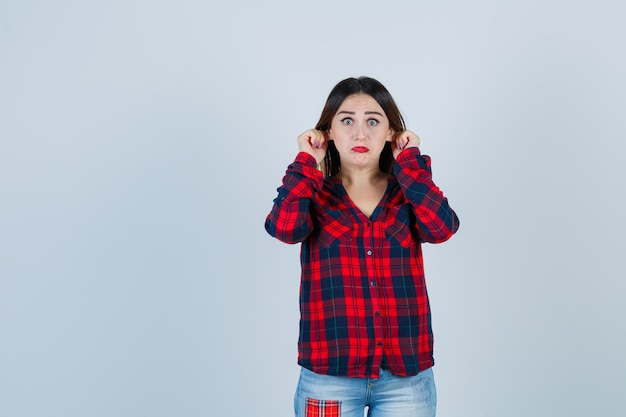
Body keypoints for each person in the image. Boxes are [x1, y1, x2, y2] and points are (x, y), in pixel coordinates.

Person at [265, 76, 460, 417]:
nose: (360, 134)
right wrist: (306, 161)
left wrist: (410, 162)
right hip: (329, 376)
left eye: (373, 121)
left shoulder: (407, 192)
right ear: (328, 132)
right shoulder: (315, 193)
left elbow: (442, 228)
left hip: (406, 380)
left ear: (390, 132)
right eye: (346, 121)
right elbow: (283, 228)